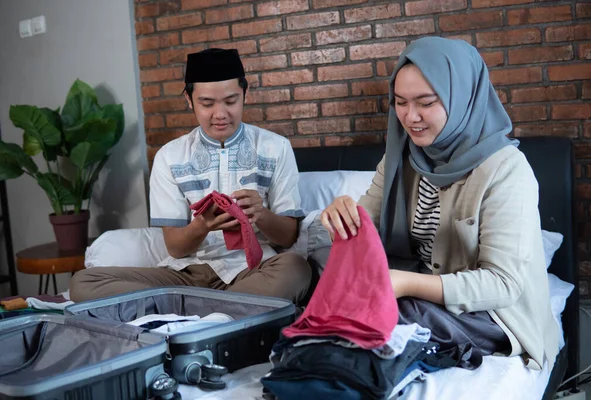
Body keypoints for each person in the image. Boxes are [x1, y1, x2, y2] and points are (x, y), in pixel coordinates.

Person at [320, 37, 559, 371]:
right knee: (331, 298)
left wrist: (403, 284)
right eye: (400, 102)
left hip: (493, 313)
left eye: (426, 102)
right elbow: (362, 241)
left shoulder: (506, 168)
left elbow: (502, 284)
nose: (410, 116)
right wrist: (341, 221)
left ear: (461, 97)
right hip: (421, 298)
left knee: (387, 316)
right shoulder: (399, 162)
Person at [70, 48, 311, 304]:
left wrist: (260, 214)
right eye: (207, 103)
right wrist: (202, 225)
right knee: (83, 283)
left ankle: (186, 311)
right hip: (185, 276)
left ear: (245, 94)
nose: (220, 114)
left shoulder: (275, 148)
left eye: (231, 101)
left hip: (253, 270)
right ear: (189, 99)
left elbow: (289, 236)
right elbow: (175, 247)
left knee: (296, 269)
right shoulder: (170, 157)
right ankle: (226, 310)